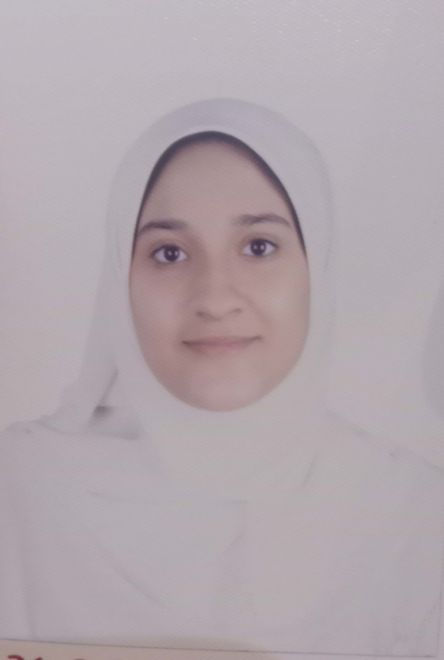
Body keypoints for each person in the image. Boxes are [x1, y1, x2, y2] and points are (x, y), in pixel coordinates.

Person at [1, 98, 443, 656]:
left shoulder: (414, 519)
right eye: (169, 253)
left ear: (318, 268)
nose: (214, 298)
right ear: (120, 281)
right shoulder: (19, 490)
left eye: (259, 247)